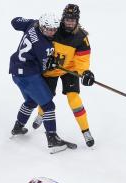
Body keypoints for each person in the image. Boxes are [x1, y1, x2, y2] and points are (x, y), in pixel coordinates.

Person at [9, 15, 77, 153]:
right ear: (42, 26)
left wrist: (24, 20)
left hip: (16, 71)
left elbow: (15, 22)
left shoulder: (32, 24)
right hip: (28, 76)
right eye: (47, 29)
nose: (51, 32)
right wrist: (51, 63)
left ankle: (18, 126)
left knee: (31, 101)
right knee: (48, 105)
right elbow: (46, 68)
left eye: (53, 29)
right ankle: (52, 139)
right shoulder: (45, 46)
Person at [31, 4, 96, 147]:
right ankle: (41, 114)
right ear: (63, 19)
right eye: (67, 19)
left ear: (77, 20)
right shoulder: (53, 29)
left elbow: (82, 61)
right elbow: (39, 42)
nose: (70, 22)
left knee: (74, 99)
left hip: (69, 70)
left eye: (73, 20)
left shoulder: (81, 38)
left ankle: (85, 131)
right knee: (46, 97)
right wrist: (44, 60)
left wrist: (85, 72)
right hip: (52, 70)